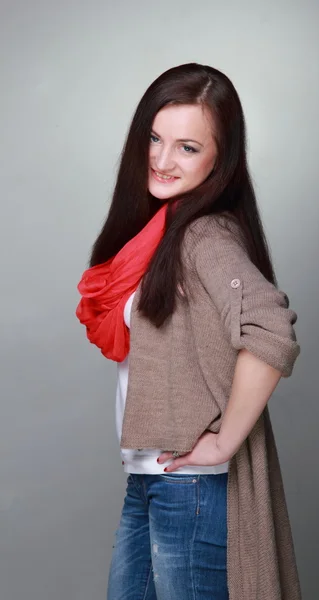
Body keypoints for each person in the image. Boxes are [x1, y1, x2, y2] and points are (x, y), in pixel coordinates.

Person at [76, 63, 302, 600]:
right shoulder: (161, 237)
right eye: (155, 139)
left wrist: (224, 441)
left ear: (220, 161)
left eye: (187, 148)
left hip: (191, 490)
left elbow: (269, 328)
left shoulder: (204, 236)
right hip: (151, 480)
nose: (161, 159)